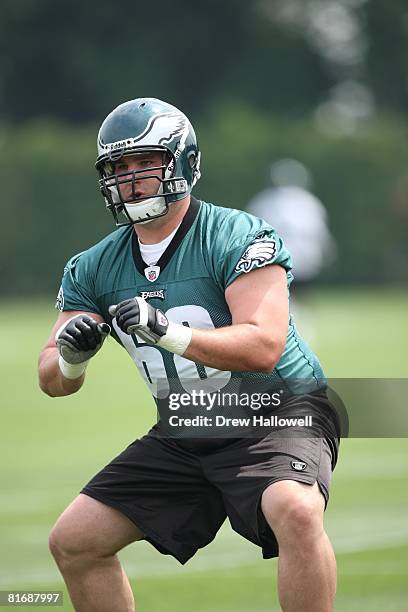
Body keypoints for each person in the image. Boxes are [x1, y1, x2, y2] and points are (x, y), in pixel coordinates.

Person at [38, 98, 339, 612]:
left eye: (144, 163)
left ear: (181, 162)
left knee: (294, 508)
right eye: (119, 167)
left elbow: (264, 346)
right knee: (75, 541)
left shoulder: (238, 235)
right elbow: (52, 376)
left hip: (280, 409)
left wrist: (168, 332)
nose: (130, 179)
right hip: (187, 423)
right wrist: (73, 357)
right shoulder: (92, 267)